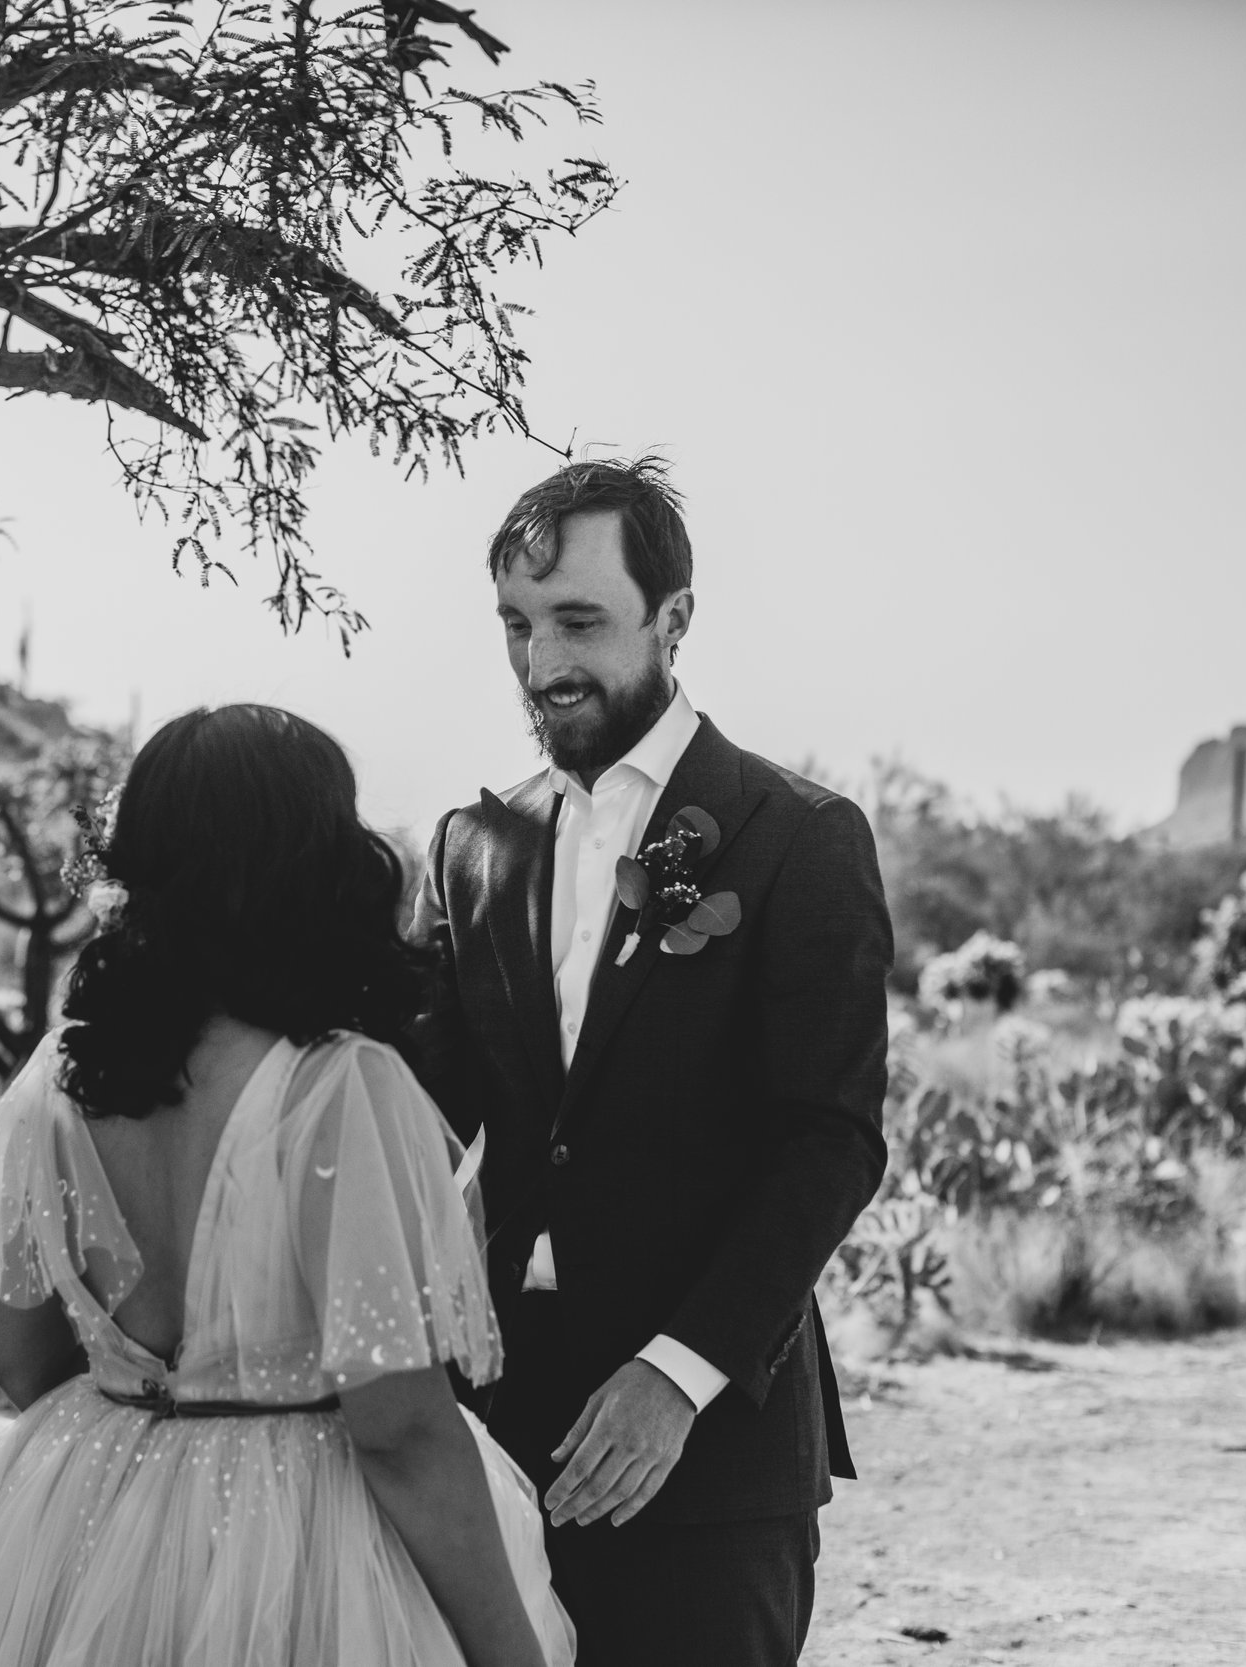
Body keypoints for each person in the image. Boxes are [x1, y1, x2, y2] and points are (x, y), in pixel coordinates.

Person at [0, 704, 574, 1667]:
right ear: (313, 864)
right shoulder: (336, 1089)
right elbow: (401, 1427)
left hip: (89, 1515)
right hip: (306, 1541)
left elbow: (17, 1358)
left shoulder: (59, 1078)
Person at [411, 457, 892, 1666]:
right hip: (497, 1431)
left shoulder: (801, 839)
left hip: (711, 1446)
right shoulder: (475, 842)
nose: (541, 664)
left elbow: (829, 1140)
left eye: (579, 621)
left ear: (673, 619)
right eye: (517, 625)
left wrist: (677, 1376)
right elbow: (422, 1106)